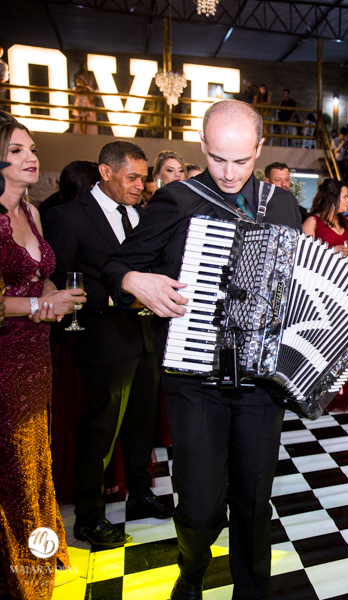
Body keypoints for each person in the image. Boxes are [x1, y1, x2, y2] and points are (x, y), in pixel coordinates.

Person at [101, 101, 348, 600]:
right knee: (201, 505)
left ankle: (251, 591)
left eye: (241, 160)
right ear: (203, 148)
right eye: (218, 159)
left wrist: (340, 353)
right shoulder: (176, 200)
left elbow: (300, 292)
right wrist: (133, 278)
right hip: (195, 382)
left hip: (260, 385)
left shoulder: (283, 205)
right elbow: (115, 266)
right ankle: (191, 574)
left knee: (255, 500)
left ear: (258, 150)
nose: (228, 173)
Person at [44, 141, 171, 549]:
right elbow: (66, 281)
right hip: (102, 339)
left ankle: (141, 493)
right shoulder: (68, 216)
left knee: (141, 426)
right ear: (105, 172)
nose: (140, 185)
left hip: (146, 337)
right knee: (100, 431)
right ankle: (88, 517)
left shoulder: (142, 214)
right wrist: (119, 296)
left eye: (143, 177)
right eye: (132, 177)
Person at [0, 121, 85, 599]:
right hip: (4, 354)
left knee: (34, 457)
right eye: (16, 150)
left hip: (36, 355)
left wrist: (53, 295)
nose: (31, 157)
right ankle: (17, 579)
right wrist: (37, 306)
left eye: (31, 149)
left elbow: (40, 277)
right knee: (11, 464)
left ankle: (37, 562)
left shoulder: (31, 212)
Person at [302, 177, 348, 266]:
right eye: (345, 197)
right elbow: (305, 256)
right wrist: (330, 252)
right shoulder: (313, 222)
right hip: (323, 276)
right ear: (333, 198)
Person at [72, 62, 98, 135]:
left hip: (89, 98)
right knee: (81, 115)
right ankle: (81, 131)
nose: (86, 67)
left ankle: (87, 132)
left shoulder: (91, 76)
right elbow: (77, 86)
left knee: (88, 115)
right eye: (85, 65)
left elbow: (94, 87)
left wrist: (93, 96)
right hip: (81, 97)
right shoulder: (80, 76)